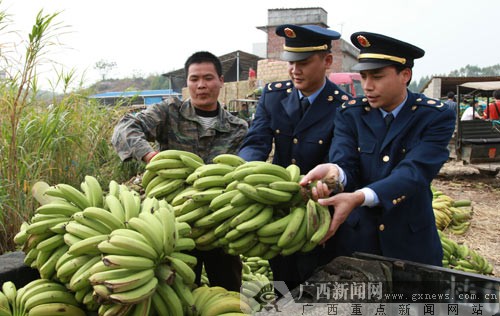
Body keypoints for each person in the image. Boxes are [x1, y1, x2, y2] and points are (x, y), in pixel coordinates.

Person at [300, 32, 456, 268]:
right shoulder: (349, 114)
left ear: (405, 75)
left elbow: (414, 172)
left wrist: (360, 197)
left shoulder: (434, 116)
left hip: (410, 244)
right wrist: (335, 173)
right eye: (363, 76)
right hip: (357, 242)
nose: (367, 86)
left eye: (377, 76)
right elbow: (346, 163)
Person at [111, 51, 248, 291]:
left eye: (208, 78)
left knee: (228, 288)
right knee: (178, 291)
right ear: (187, 83)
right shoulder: (169, 112)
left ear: (221, 81)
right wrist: (150, 156)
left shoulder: (237, 128)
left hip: (217, 221)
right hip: (172, 221)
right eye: (194, 79)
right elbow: (125, 127)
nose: (201, 85)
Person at [238, 24, 351, 292]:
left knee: (316, 284)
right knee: (282, 282)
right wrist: (242, 170)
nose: (294, 70)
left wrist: (332, 180)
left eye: (303, 62)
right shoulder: (274, 96)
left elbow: (342, 157)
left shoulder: (343, 106)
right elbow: (257, 141)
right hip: (281, 209)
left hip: (320, 209)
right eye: (290, 62)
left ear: (327, 61)